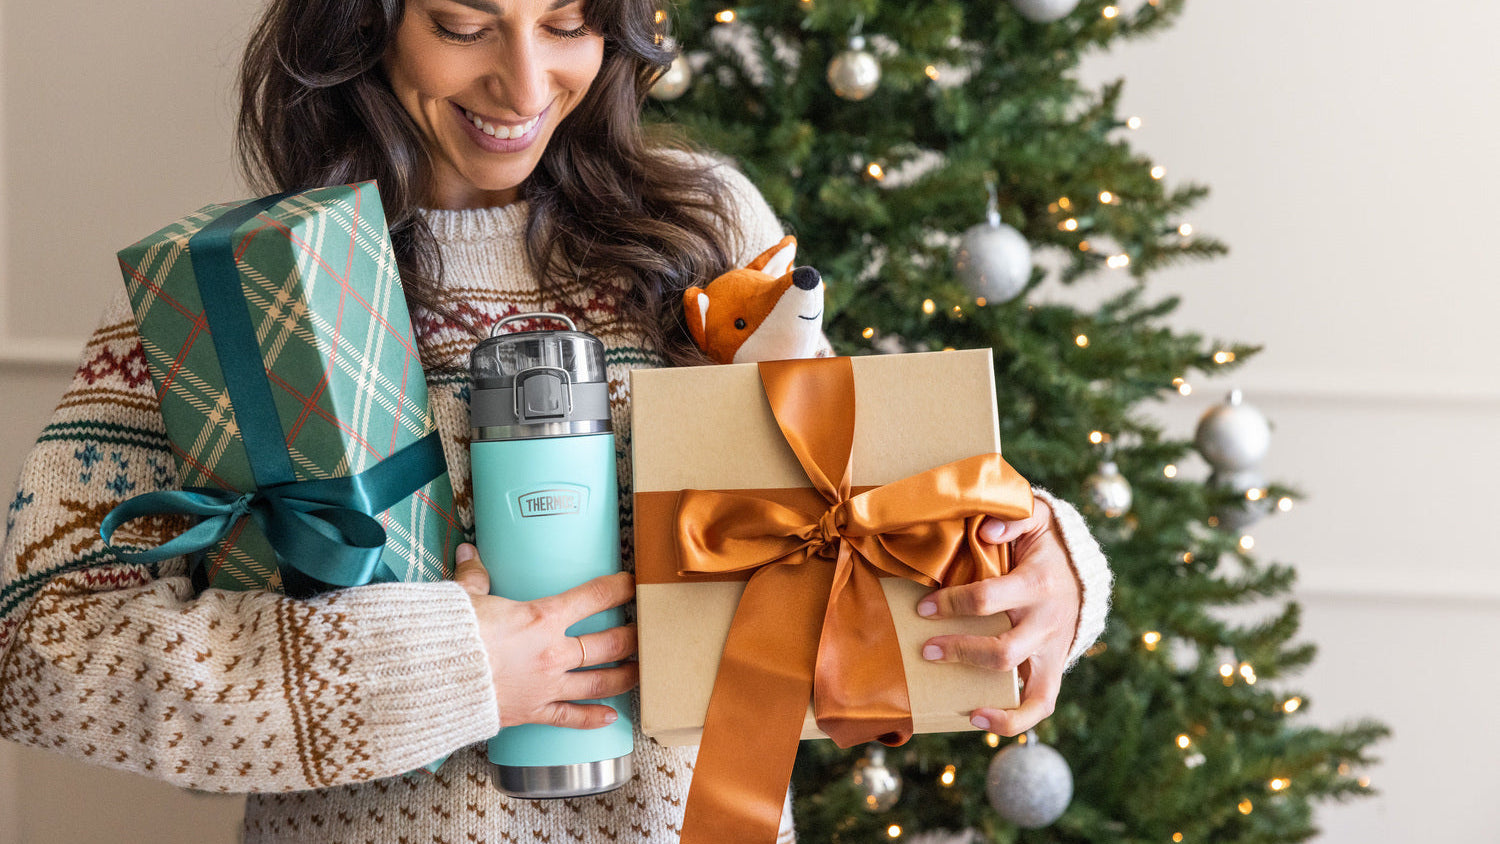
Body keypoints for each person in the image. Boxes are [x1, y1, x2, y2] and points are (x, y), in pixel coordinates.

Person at [0, 0, 1112, 840]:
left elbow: (853, 506)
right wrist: (438, 667)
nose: (523, 81)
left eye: (568, 21)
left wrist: (1054, 563)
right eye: (464, 24)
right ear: (369, 23)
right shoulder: (244, 292)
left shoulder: (708, 227)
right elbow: (34, 647)